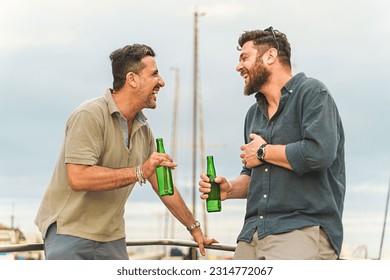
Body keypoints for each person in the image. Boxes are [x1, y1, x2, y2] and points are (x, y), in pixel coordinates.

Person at [35, 44, 216, 260]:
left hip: (112, 238)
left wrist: (194, 228)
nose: (162, 82)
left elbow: (164, 187)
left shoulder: (144, 130)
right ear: (132, 79)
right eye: (154, 74)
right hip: (69, 233)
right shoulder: (89, 115)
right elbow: (78, 177)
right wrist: (140, 171)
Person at [199, 27, 345, 260]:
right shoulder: (252, 114)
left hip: (300, 228)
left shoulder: (313, 93)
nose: (238, 67)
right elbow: (252, 172)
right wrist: (229, 189)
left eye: (244, 58)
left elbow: (320, 153)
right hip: (252, 234)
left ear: (270, 56)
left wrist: (264, 151)